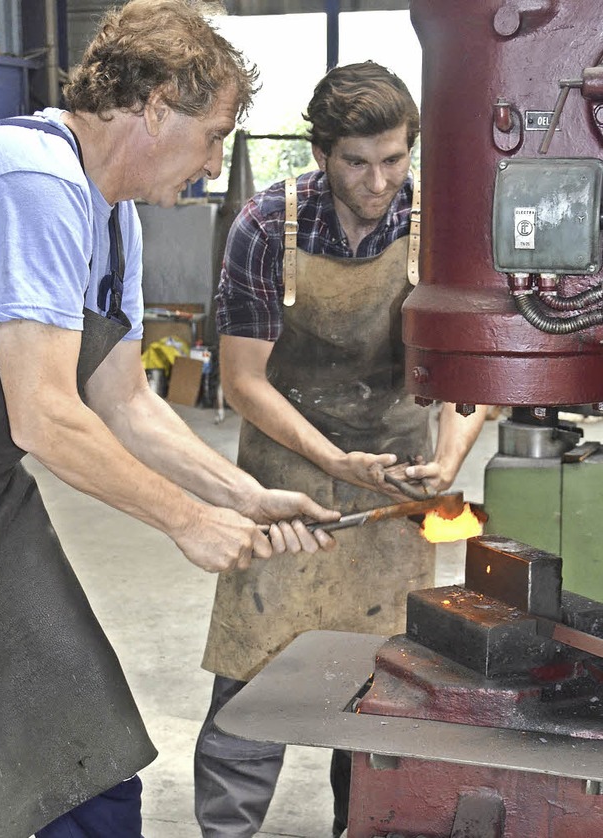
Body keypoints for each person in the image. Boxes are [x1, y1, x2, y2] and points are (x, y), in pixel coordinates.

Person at [0, 2, 341, 836]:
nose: (213, 163)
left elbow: (127, 401)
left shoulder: (114, 219)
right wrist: (186, 521)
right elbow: (45, 417)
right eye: (212, 135)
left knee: (86, 764)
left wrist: (242, 495)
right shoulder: (31, 180)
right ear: (156, 105)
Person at [195, 61, 487, 838]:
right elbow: (243, 381)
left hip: (397, 481)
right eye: (357, 161)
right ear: (322, 152)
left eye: (394, 159)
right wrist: (327, 460)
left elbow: (475, 363)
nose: (378, 180)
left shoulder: (441, 225)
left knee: (376, 689)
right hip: (288, 476)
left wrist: (451, 456)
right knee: (251, 676)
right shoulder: (266, 226)